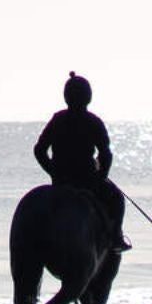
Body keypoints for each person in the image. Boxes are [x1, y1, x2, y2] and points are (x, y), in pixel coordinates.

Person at [33, 72, 130, 251]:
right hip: (87, 182)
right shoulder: (93, 122)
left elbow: (39, 150)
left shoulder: (58, 119)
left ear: (66, 97)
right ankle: (116, 237)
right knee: (117, 198)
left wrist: (53, 172)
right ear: (88, 97)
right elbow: (105, 154)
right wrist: (101, 177)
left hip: (60, 182)